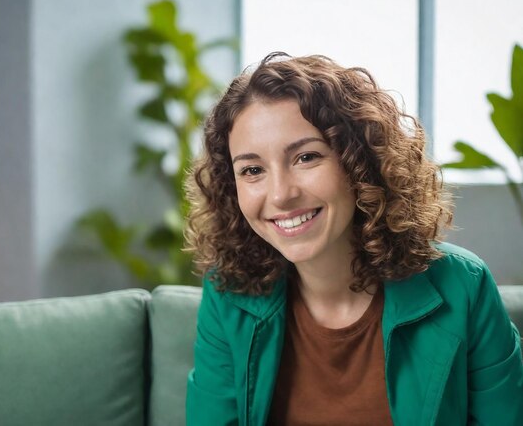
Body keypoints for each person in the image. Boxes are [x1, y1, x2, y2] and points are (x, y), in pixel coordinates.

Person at [184, 53, 523, 426]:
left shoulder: (465, 287)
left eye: (306, 157)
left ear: (359, 162)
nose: (280, 194)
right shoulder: (227, 293)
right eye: (252, 170)